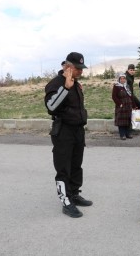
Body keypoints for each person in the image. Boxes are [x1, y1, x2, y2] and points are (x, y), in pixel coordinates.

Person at [44, 52, 92, 218]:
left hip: (78, 130)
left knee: (76, 165)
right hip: (63, 131)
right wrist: (65, 88)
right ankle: (66, 201)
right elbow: (51, 106)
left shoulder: (77, 84)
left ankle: (74, 194)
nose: (81, 72)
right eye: (78, 68)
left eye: (81, 68)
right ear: (67, 67)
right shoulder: (56, 83)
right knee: (63, 167)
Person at [112, 73, 134, 140]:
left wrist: (134, 105)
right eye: (121, 78)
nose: (122, 80)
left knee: (128, 120)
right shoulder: (116, 86)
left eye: (124, 78)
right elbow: (114, 97)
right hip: (121, 106)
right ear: (119, 79)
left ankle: (128, 134)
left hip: (128, 106)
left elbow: (131, 95)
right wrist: (120, 104)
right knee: (121, 121)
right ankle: (122, 135)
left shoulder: (127, 86)